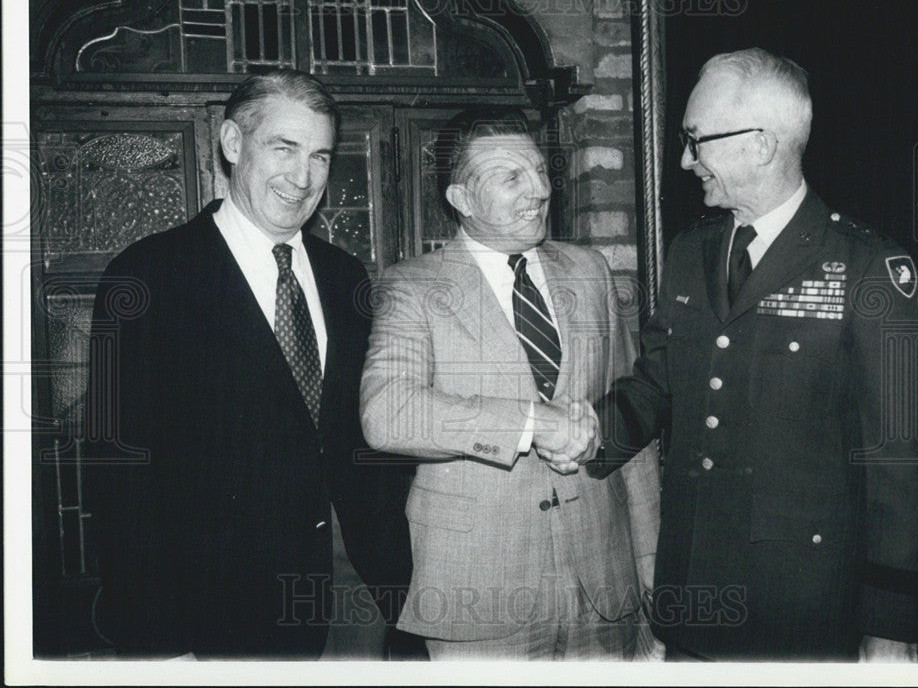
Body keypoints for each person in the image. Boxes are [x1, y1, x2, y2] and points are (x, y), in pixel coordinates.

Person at [588, 48, 918, 661]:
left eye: (696, 140)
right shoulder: (689, 251)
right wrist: (585, 434)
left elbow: (905, 461)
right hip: (694, 599)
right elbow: (656, 382)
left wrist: (892, 622)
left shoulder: (867, 268)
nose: (684, 160)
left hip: (805, 614)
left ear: (760, 144)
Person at [86, 70, 418, 659]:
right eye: (283, 149)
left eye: (319, 155)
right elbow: (120, 475)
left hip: (356, 598)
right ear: (234, 144)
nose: (303, 177)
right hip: (220, 616)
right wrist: (158, 645)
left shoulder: (344, 277)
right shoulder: (147, 277)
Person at [360, 108, 661, 659]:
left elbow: (632, 421)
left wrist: (649, 568)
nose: (540, 190)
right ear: (462, 198)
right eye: (511, 177)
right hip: (479, 593)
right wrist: (532, 423)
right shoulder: (411, 287)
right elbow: (389, 412)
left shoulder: (589, 272)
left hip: (604, 578)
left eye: (541, 172)